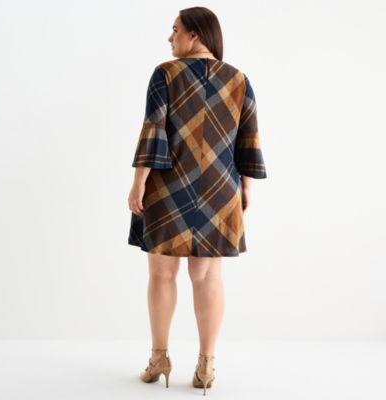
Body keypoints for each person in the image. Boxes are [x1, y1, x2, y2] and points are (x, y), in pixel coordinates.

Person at [127, 6, 267, 396]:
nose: (169, 38)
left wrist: (138, 183)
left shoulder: (165, 74)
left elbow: (153, 131)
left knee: (161, 274)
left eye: (175, 30)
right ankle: (206, 365)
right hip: (220, 188)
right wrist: (246, 187)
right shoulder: (238, 79)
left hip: (168, 186)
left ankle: (159, 358)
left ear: (195, 35)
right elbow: (249, 138)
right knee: (208, 277)